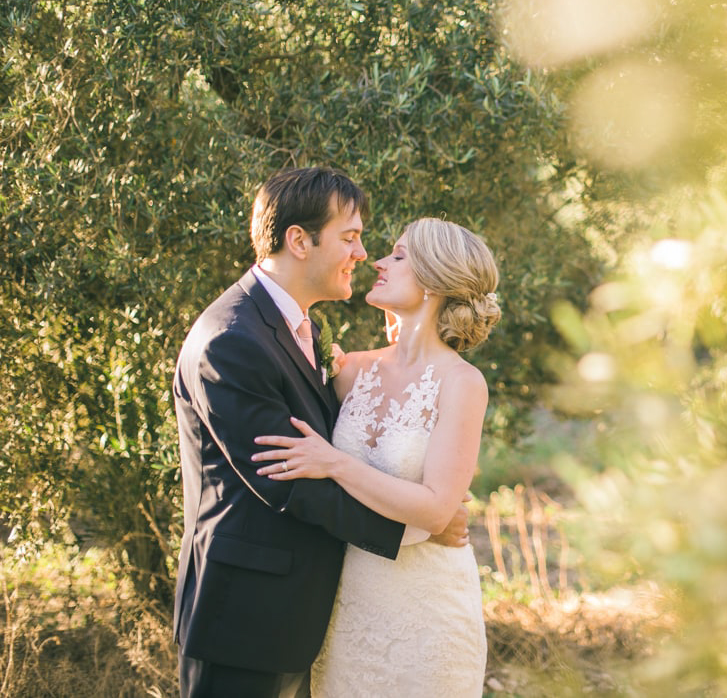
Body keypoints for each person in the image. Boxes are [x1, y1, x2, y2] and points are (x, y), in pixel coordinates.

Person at [172, 168, 470, 698]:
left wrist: (431, 501)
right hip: (243, 616)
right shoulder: (233, 339)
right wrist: (416, 530)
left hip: (307, 612)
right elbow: (286, 478)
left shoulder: (297, 331)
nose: (364, 253)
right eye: (350, 237)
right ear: (298, 241)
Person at [252, 216, 500, 696]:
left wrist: (336, 463)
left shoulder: (462, 383)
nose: (379, 262)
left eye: (399, 256)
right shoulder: (349, 370)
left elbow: (436, 509)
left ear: (434, 281)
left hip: (427, 612)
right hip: (348, 605)